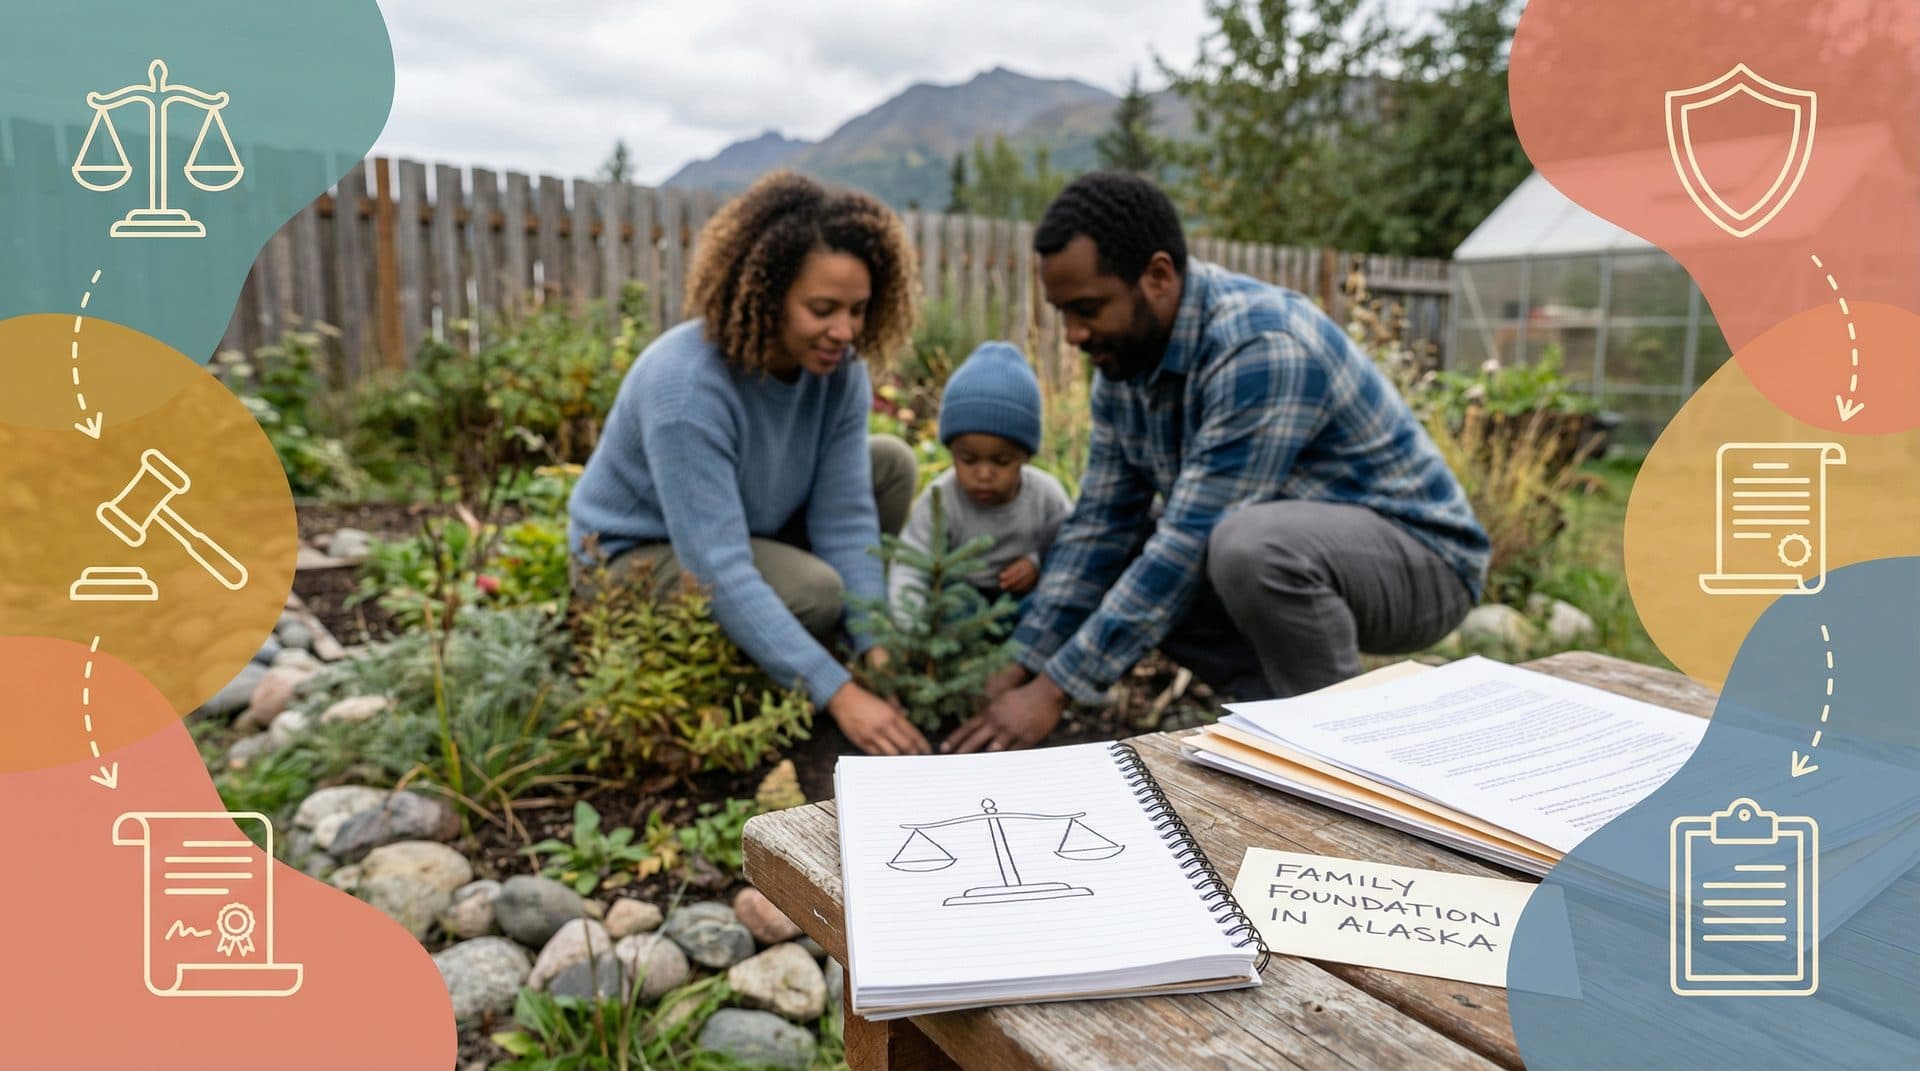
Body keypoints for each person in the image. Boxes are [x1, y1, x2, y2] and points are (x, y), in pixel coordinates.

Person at [945, 171, 1490, 754]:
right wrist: (1020, 661)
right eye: (1062, 312)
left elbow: (1186, 547)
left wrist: (1051, 692)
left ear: (1157, 276)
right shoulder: (1124, 365)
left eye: (1088, 308)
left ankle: (1344, 748)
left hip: (1423, 561)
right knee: (1067, 534)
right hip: (1303, 549)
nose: (1074, 334)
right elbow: (1101, 526)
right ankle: (1268, 709)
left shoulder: (1259, 345)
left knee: (1249, 546)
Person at [568, 170, 932, 756]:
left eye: (858, 310)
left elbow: (846, 518)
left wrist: (877, 649)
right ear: (766, 294)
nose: (844, 332)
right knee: (817, 591)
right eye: (822, 308)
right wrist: (839, 693)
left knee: (889, 464)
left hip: (747, 522)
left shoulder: (838, 372)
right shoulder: (685, 389)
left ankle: (812, 637)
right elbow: (715, 566)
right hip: (632, 559)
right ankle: (788, 658)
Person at [886, 341, 1072, 618]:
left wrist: (1035, 563)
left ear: (1025, 456)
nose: (984, 474)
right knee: (949, 604)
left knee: (1051, 605)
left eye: (1001, 461)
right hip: (962, 604)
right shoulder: (941, 498)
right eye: (968, 460)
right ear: (951, 452)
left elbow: (1071, 546)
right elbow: (910, 566)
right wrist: (910, 628)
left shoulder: (1045, 494)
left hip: (1020, 603)